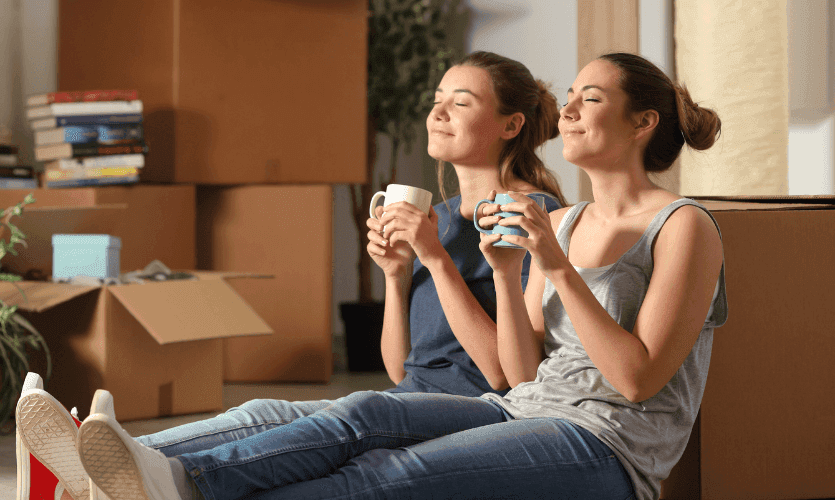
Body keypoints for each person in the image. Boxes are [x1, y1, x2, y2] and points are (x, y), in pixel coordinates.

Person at [68, 52, 727, 500]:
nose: (573, 110)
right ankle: (177, 479)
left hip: (608, 447)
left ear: (643, 123)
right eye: (573, 97)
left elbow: (638, 378)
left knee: (387, 475)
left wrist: (553, 268)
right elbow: (522, 377)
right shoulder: (565, 222)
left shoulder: (683, 227)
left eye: (592, 98)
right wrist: (502, 271)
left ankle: (173, 484)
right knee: (361, 414)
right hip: (518, 411)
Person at [15, 51, 564, 500]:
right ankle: (96, 458)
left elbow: (505, 376)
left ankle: (166, 479)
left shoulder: (529, 215)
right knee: (267, 410)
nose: (438, 113)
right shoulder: (437, 219)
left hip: (479, 413)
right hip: (414, 396)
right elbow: (402, 370)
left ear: (510, 125)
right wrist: (396, 277)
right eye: (437, 100)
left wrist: (436, 259)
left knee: (355, 411)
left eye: (460, 103)